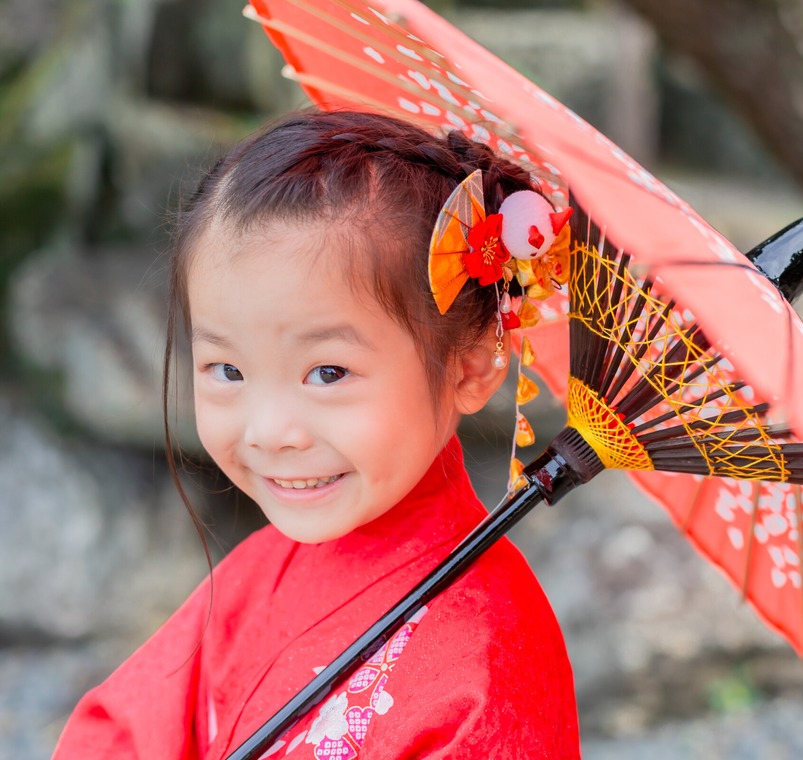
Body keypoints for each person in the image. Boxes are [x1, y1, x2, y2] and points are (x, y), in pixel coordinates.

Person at [52, 111, 580, 759]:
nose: (271, 431)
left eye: (327, 372)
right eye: (227, 369)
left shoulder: (489, 658)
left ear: (469, 366)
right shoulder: (258, 572)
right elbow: (121, 732)